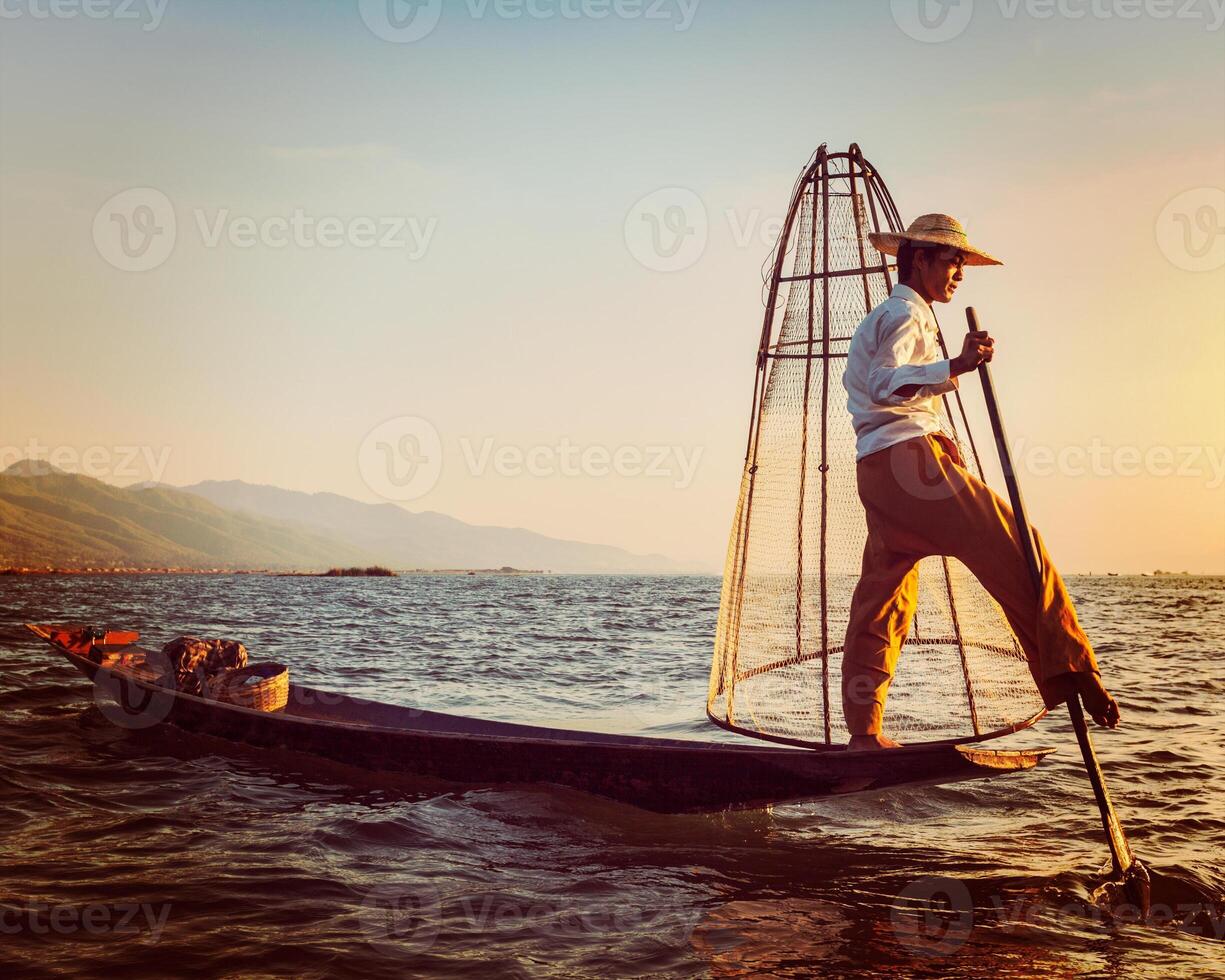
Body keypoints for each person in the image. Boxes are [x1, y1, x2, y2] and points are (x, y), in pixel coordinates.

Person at [840, 213, 1121, 750]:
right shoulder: (905, 313)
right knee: (1021, 546)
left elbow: (882, 390)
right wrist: (959, 364)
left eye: (962, 263)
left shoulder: (891, 315)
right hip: (908, 465)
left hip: (878, 471)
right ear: (918, 259)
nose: (959, 273)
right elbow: (880, 384)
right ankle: (1072, 669)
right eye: (951, 261)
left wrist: (942, 401)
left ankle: (864, 731)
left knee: (884, 599)